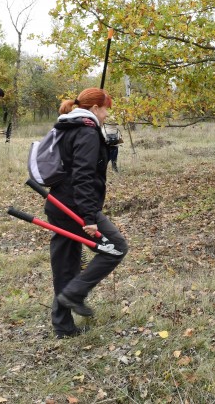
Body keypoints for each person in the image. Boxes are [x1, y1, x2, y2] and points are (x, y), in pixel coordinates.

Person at [46, 87, 129, 338]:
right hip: (75, 209)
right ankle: (74, 293)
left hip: (57, 202)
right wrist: (90, 218)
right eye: (105, 110)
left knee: (66, 265)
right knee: (115, 247)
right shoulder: (87, 131)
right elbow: (83, 177)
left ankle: (63, 326)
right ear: (94, 109)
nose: (106, 115)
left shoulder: (65, 126)